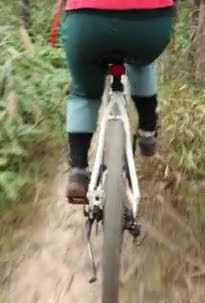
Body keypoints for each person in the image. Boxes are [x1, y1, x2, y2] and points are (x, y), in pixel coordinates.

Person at [59, 0, 176, 202]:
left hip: (87, 24)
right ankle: (148, 129)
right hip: (150, 24)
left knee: (84, 93)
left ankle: (78, 170)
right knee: (142, 61)